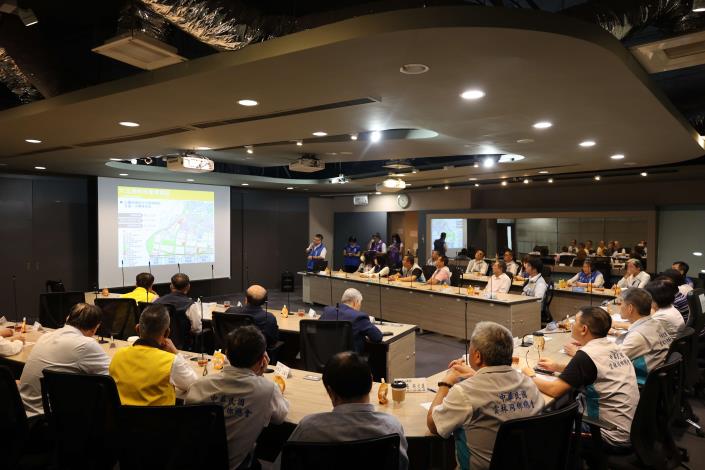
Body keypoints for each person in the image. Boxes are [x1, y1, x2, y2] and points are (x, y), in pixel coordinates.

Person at [428, 322, 543, 470]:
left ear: (477, 356)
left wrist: (446, 383)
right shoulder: (529, 384)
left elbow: (433, 424)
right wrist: (476, 375)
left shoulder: (464, 393)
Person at [522, 307, 638, 453]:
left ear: (584, 329)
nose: (571, 324)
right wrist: (557, 366)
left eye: (575, 321)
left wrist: (529, 376)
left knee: (538, 426)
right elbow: (594, 370)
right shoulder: (612, 347)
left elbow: (554, 390)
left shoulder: (586, 355)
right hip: (629, 428)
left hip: (605, 433)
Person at [185, 326, 289, 470]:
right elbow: (280, 417)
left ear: (226, 354)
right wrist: (259, 376)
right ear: (262, 360)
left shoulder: (199, 385)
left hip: (195, 461)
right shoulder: (267, 390)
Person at [283, 352, 408, 469]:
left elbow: (287, 464)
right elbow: (401, 465)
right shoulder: (391, 427)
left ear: (330, 391)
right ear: (371, 382)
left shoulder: (308, 428)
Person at [19, 303, 110, 417]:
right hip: (47, 417)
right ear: (94, 329)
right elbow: (111, 376)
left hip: (21, 413)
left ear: (67, 318)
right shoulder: (86, 344)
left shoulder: (45, 336)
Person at [109, 304, 198, 405]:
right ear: (167, 333)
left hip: (122, 419)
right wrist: (176, 352)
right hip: (157, 420)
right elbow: (194, 385)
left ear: (137, 329)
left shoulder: (118, 356)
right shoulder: (170, 361)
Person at [615, 288, 671, 385]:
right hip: (657, 381)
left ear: (630, 308)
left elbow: (612, 360)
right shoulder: (655, 323)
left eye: (621, 303)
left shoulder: (638, 336)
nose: (619, 307)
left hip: (639, 382)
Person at [321, 288, 382, 353]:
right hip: (350, 360)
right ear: (355, 302)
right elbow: (377, 337)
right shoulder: (359, 316)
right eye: (360, 303)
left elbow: (318, 329)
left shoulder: (327, 311)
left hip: (326, 356)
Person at [226, 285, 279, 350]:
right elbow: (273, 340)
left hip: (232, 353)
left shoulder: (230, 311)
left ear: (246, 299)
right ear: (265, 302)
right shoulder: (269, 318)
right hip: (256, 356)